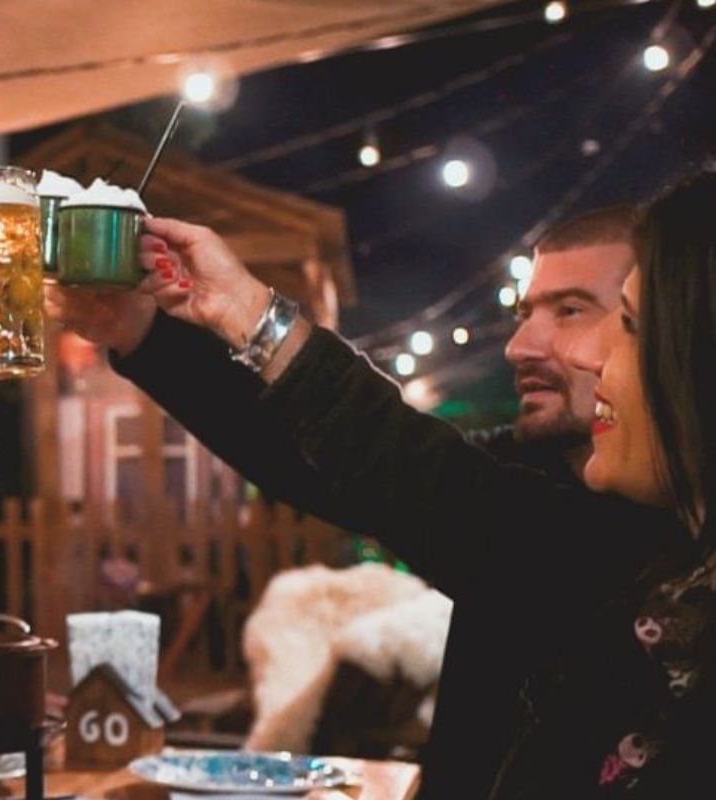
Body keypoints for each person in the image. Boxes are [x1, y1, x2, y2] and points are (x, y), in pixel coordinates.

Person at [123, 173, 713, 795]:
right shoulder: (538, 483)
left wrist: (250, 316)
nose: (518, 346)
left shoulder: (644, 553)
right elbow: (349, 460)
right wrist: (142, 335)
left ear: (692, 346)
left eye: (585, 313)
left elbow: (411, 468)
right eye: (524, 312)